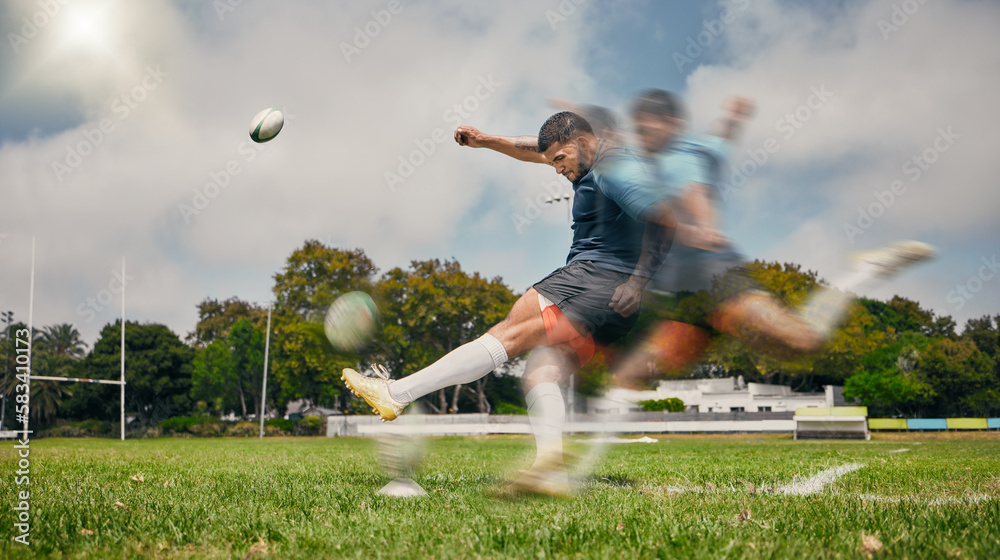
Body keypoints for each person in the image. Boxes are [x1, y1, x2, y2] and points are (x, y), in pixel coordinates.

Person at [342, 111, 682, 496]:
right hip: (611, 302)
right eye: (553, 161)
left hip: (596, 279)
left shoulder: (612, 168)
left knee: (508, 334)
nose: (556, 169)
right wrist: (485, 140)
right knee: (539, 375)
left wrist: (637, 282)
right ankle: (552, 471)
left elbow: (664, 218)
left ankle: (396, 393)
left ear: (581, 142)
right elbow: (532, 150)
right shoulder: (588, 158)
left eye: (560, 160)